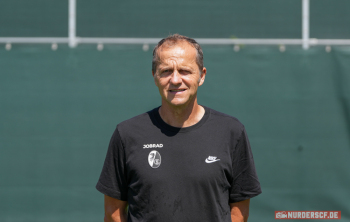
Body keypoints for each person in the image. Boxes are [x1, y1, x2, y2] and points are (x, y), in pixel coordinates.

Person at [96, 34, 262, 222]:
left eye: (185, 71)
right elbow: (113, 211)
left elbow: (239, 211)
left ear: (202, 75)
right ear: (154, 76)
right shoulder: (127, 134)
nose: (175, 79)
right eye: (166, 71)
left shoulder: (232, 132)